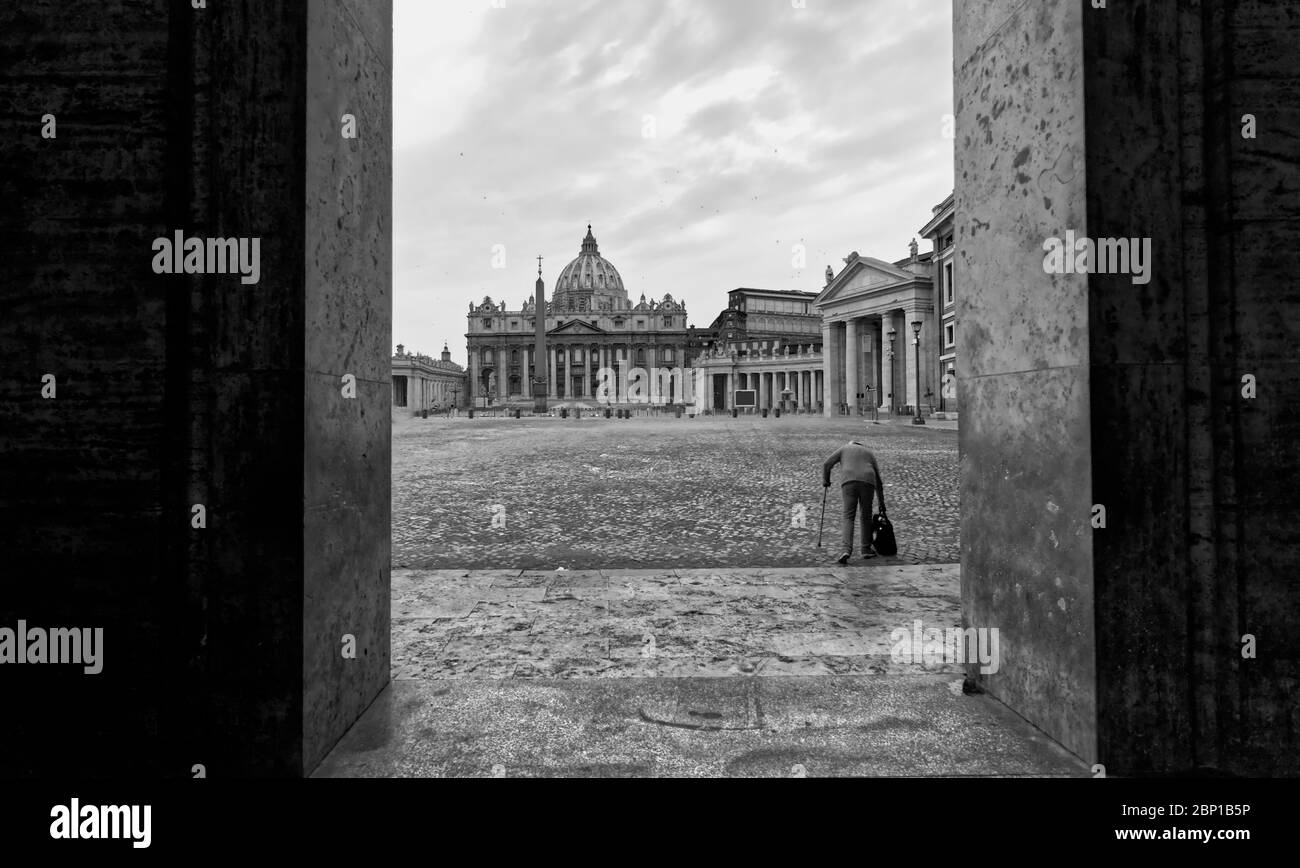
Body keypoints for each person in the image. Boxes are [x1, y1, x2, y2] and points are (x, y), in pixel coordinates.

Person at [822, 438, 886, 564]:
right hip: (868, 480)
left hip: (849, 480)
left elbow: (826, 464)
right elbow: (879, 480)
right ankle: (865, 549)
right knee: (866, 515)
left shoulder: (844, 448)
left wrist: (826, 480)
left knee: (848, 516)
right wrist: (881, 502)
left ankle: (846, 549)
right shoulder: (869, 452)